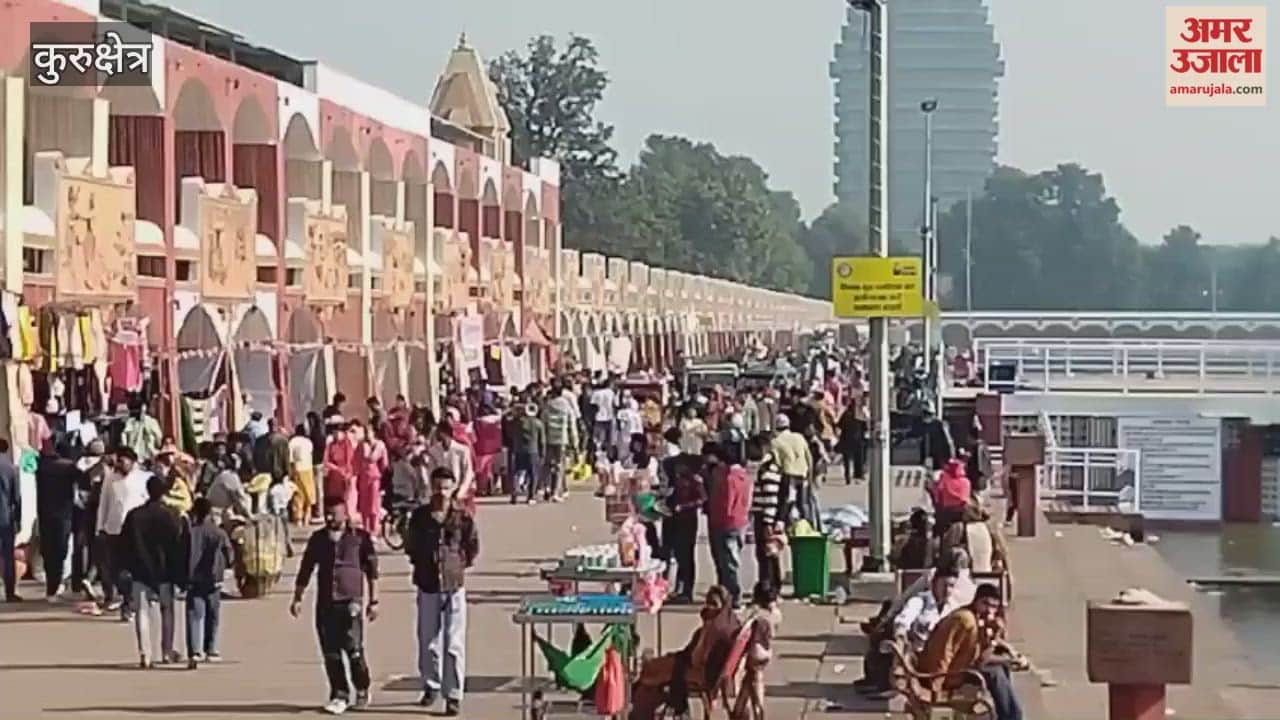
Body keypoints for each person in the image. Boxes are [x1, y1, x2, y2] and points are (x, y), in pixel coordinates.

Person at [291, 497, 380, 715]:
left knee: (353, 649)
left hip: (351, 602)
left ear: (345, 513)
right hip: (326, 602)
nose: (331, 518)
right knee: (330, 652)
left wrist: (373, 601)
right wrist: (298, 598)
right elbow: (306, 569)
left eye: (335, 513)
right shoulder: (318, 539)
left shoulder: (359, 538)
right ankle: (339, 693)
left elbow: (372, 572)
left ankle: (361, 687)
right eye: (328, 514)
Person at [405, 468, 480, 717]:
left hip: (453, 586)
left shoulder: (462, 518)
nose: (441, 492)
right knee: (428, 642)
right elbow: (410, 545)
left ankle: (454, 695)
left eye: (446, 487)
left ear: (453, 488)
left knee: (453, 644)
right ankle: (431, 684)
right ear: (431, 487)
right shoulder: (419, 517)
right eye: (437, 487)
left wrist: (457, 565)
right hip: (427, 585)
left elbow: (472, 547)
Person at [632, 586, 742, 719]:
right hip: (700, 667)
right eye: (707, 602)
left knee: (649, 673)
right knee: (651, 670)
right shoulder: (729, 621)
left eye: (713, 604)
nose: (709, 607)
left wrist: (705, 629)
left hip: (698, 671)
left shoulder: (715, 628)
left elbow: (696, 660)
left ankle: (640, 713)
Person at [917, 583, 1024, 720]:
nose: (989, 610)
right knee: (994, 672)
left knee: (1001, 666)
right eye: (985, 604)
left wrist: (997, 639)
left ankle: (1006, 714)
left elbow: (980, 655)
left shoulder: (975, 618)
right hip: (945, 674)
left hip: (957, 668)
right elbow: (947, 653)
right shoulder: (965, 620)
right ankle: (1013, 716)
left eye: (994, 607)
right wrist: (936, 684)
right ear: (976, 601)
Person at [120, 474, 185, 667]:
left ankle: (144, 654)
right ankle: (166, 650)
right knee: (167, 611)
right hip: (165, 571)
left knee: (141, 612)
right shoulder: (172, 515)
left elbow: (125, 544)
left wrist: (126, 567)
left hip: (140, 570)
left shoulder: (134, 515)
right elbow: (177, 545)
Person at [95, 448, 149, 616]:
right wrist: (100, 527)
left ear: (132, 462)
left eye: (124, 460)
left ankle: (129, 603)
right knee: (116, 569)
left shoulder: (143, 478)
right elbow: (103, 503)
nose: (120, 464)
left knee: (133, 569)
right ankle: (125, 596)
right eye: (119, 460)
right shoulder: (111, 479)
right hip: (114, 529)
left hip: (136, 532)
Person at [185, 497, 232, 668]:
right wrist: (226, 568)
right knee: (213, 614)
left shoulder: (190, 533)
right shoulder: (219, 533)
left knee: (194, 615)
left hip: (193, 578)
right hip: (214, 578)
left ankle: (195, 651)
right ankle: (211, 648)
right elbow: (229, 553)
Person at [706, 443, 752, 607]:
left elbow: (725, 502)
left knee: (725, 563)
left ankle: (732, 595)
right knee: (731, 561)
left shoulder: (726, 477)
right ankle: (726, 594)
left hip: (724, 522)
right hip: (740, 521)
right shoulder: (744, 476)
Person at [36, 442, 82, 601]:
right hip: (64, 515)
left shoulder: (42, 466)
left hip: (44, 514)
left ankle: (50, 588)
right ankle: (55, 588)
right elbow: (85, 481)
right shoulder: (69, 467)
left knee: (48, 551)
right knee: (60, 551)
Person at [732, 581, 783, 720]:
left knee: (755, 682)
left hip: (754, 652)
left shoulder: (758, 617)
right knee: (749, 680)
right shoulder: (776, 614)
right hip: (766, 652)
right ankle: (739, 709)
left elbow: (744, 630)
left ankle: (758, 711)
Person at [748, 435, 786, 593]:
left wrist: (768, 522)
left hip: (765, 518)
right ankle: (771, 585)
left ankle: (769, 587)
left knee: (766, 555)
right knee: (769, 553)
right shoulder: (765, 468)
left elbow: (770, 497)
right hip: (763, 517)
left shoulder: (769, 470)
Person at [667, 455, 707, 603]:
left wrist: (683, 507)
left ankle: (687, 590)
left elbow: (701, 499)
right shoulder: (676, 480)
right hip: (675, 520)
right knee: (678, 555)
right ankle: (679, 588)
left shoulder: (694, 481)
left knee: (686, 556)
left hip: (688, 521)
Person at [770, 414, 813, 523]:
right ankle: (807, 526)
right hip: (803, 474)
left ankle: (782, 526)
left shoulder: (775, 442)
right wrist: (810, 475)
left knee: (786, 503)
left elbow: (777, 462)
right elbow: (808, 456)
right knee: (803, 504)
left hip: (789, 475)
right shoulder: (799, 437)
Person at [428, 421, 475, 516]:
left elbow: (468, 473)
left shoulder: (462, 450)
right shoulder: (433, 451)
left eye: (441, 432)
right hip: (440, 491)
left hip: (457, 491)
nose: (438, 435)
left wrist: (461, 491)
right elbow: (431, 473)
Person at [542, 382, 579, 503]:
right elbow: (571, 425)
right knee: (559, 466)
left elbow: (543, 422)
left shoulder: (548, 405)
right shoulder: (566, 406)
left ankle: (546, 488)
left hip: (548, 439)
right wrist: (575, 442)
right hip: (562, 439)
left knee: (547, 465)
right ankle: (555, 492)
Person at [352, 421, 388, 535]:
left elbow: (384, 463)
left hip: (375, 478)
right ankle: (366, 528)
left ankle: (374, 529)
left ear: (373, 432)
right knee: (364, 505)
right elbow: (356, 461)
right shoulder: (361, 445)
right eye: (365, 432)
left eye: (369, 432)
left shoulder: (380, 445)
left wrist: (384, 476)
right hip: (363, 477)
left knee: (374, 504)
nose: (367, 434)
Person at [510, 402, 546, 504]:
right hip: (533, 451)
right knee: (533, 474)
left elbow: (511, 434)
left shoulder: (517, 423)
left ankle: (514, 494)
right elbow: (542, 441)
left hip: (518, 450)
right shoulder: (538, 423)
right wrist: (543, 454)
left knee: (516, 473)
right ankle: (531, 496)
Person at [323, 419, 357, 519]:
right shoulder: (331, 445)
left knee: (347, 498)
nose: (337, 434)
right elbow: (326, 460)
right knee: (335, 500)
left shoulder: (347, 444)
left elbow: (349, 460)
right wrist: (336, 468)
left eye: (339, 432)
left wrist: (346, 473)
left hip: (346, 474)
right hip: (334, 475)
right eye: (335, 432)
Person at [0, 439, 21, 602]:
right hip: (6, 518)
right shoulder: (12, 469)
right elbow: (16, 498)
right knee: (8, 556)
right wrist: (18, 520)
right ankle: (10, 592)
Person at [931, 458, 971, 537]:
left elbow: (937, 492)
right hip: (962, 512)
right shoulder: (966, 481)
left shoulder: (945, 479)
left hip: (946, 511)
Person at [289, 424, 317, 526]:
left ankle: (298, 518)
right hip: (308, 469)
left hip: (297, 469)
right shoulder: (308, 442)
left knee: (298, 495)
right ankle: (307, 517)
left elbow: (290, 459)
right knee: (309, 495)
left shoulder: (292, 442)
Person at [836, 395, 867, 484]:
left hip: (846, 439)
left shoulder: (846, 413)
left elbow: (839, 425)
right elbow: (865, 427)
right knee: (858, 458)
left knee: (847, 459)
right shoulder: (860, 414)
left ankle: (848, 476)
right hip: (857, 439)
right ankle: (858, 475)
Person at [589, 378, 618, 455]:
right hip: (609, 417)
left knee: (598, 439)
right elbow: (616, 405)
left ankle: (597, 455)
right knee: (609, 439)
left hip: (598, 418)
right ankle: (608, 456)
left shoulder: (595, 393)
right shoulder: (611, 393)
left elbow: (593, 406)